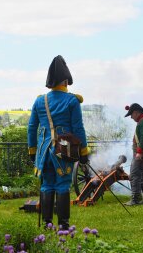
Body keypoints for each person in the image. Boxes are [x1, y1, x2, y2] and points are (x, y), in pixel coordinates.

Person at [27, 55, 89, 230]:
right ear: (65, 80)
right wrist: (83, 153)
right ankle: (63, 225)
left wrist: (32, 151)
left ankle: (47, 224)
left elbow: (32, 128)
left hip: (44, 151)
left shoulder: (40, 100)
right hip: (64, 148)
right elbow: (78, 129)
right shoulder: (72, 101)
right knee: (62, 185)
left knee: (47, 184)